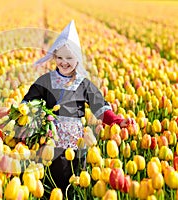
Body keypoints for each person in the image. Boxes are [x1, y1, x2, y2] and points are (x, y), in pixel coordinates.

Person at [21, 20, 135, 199]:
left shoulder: (83, 83)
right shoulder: (45, 81)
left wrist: (117, 121)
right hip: (51, 141)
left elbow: (100, 107)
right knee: (53, 181)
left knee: (75, 180)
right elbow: (28, 102)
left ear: (77, 59)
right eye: (60, 57)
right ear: (54, 57)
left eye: (69, 57)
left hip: (76, 143)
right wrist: (19, 114)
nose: (64, 62)